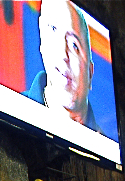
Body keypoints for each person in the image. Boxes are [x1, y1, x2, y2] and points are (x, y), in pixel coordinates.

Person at [24, 0, 100, 133]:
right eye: (53, 29)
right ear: (42, 42)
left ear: (90, 73)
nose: (63, 54)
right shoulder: (11, 112)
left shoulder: (108, 146)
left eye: (74, 45)